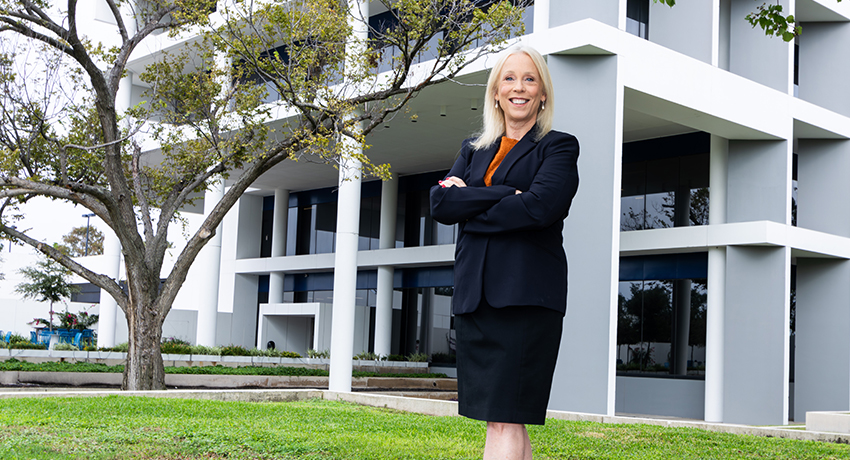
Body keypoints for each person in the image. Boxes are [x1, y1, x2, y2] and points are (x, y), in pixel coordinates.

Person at [429, 45, 579, 460]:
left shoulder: (559, 148)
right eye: (509, 78)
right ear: (495, 92)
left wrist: (471, 200)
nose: (519, 87)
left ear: (543, 93)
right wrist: (502, 195)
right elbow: (440, 205)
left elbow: (538, 208)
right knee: (504, 418)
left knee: (505, 419)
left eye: (530, 79)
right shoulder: (473, 149)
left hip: (525, 299)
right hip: (476, 299)